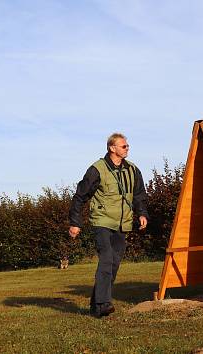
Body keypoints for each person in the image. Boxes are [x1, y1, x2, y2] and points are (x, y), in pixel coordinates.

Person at [68, 132, 148, 318]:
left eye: (127, 145)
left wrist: (142, 213)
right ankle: (104, 303)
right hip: (102, 221)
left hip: (123, 223)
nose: (127, 148)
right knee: (107, 259)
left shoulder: (133, 170)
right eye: (124, 146)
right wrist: (75, 222)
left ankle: (96, 307)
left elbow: (139, 195)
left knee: (114, 264)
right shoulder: (97, 169)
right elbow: (80, 196)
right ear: (112, 148)